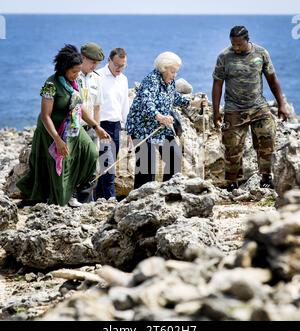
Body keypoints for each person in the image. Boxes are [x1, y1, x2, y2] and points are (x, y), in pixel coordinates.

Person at [17, 44, 110, 207]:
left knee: (91, 154)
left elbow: (80, 109)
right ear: (64, 68)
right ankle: (61, 201)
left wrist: (96, 127)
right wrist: (57, 140)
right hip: (52, 130)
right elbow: (45, 116)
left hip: (72, 127)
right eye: (74, 71)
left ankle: (73, 190)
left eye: (78, 71)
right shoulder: (50, 84)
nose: (76, 75)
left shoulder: (75, 84)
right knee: (61, 166)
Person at [212, 26, 289, 191]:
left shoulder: (261, 53)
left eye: (239, 44)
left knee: (267, 142)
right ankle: (232, 183)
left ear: (247, 40)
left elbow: (272, 79)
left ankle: (266, 179)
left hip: (259, 107)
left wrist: (281, 104)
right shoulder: (224, 57)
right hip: (234, 109)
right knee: (232, 148)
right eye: (233, 44)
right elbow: (217, 84)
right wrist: (216, 111)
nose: (236, 47)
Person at [126, 51, 206, 189]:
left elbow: (174, 97)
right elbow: (146, 103)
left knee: (174, 158)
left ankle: (169, 191)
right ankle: (141, 198)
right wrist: (160, 117)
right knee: (146, 166)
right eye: (173, 71)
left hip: (160, 128)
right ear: (164, 68)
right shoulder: (151, 80)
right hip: (142, 128)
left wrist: (195, 103)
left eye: (176, 72)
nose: (175, 75)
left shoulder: (169, 81)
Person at [94, 48, 129, 200]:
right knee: (108, 166)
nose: (119, 68)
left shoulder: (124, 79)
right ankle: (111, 199)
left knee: (107, 165)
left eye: (123, 65)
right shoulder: (98, 76)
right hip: (101, 125)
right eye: (117, 65)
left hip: (116, 127)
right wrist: (95, 127)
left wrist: (128, 130)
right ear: (109, 61)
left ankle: (98, 199)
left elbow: (124, 106)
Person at [78, 42, 105, 145]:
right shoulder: (73, 76)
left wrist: (97, 130)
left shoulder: (97, 78)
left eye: (97, 63)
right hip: (74, 129)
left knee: (92, 159)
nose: (95, 66)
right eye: (93, 62)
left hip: (90, 129)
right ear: (82, 57)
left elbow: (97, 107)